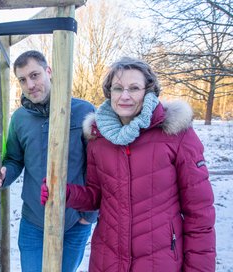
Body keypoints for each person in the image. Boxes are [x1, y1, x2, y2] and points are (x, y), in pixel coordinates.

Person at [41, 57, 216, 271]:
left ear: (148, 91)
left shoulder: (175, 133)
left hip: (160, 261)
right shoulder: (98, 137)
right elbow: (97, 195)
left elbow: (199, 214)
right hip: (107, 259)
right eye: (118, 88)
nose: (124, 96)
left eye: (134, 88)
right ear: (109, 92)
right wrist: (64, 193)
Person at [0, 50, 98, 272]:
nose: (30, 84)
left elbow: (97, 167)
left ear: (49, 71)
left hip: (75, 221)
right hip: (33, 221)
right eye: (22, 80)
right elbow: (15, 159)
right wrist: (5, 174)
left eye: (35, 75)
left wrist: (88, 216)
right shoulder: (19, 118)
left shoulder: (83, 111)